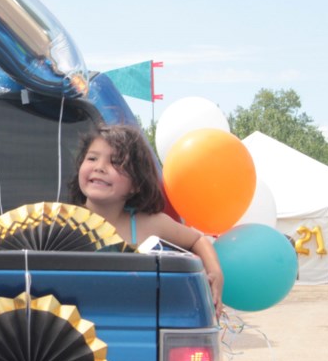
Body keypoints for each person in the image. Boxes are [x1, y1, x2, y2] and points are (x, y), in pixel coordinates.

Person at [68, 124, 224, 314]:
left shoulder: (149, 224)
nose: (99, 167)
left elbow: (197, 239)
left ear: (136, 184)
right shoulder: (61, 222)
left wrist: (215, 272)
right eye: (92, 158)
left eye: (116, 162)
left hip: (136, 329)